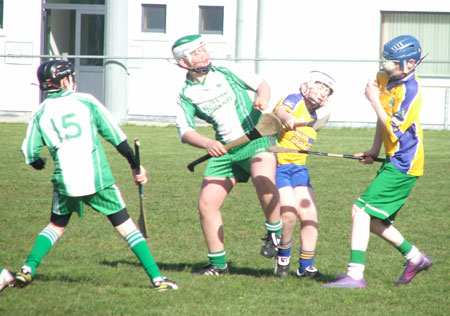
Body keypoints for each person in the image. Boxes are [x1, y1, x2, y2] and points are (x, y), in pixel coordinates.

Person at [17, 60, 178, 291]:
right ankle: (158, 279)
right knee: (126, 226)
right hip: (97, 179)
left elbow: (30, 153)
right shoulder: (86, 101)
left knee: (56, 225)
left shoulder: (40, 112)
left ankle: (27, 270)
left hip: (65, 181)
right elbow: (118, 138)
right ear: (65, 81)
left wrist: (38, 163)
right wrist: (136, 166)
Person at [323, 35, 432, 288]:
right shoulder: (384, 79)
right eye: (385, 61)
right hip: (393, 157)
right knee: (372, 219)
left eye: (392, 63)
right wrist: (374, 149)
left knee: (360, 210)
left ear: (410, 63)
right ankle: (415, 258)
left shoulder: (411, 91)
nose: (386, 67)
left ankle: (355, 275)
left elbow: (394, 128)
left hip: (405, 163)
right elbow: (382, 119)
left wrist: (373, 99)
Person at [172, 34, 282, 275]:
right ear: (183, 62)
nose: (203, 55)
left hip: (257, 139)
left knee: (262, 179)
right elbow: (185, 131)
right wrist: (206, 143)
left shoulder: (227, 71)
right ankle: (218, 265)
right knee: (207, 203)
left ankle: (274, 233)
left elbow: (262, 84)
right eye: (196, 53)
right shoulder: (186, 95)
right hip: (225, 150)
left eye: (203, 49)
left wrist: (262, 97)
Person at [272, 71, 335, 278]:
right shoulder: (294, 100)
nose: (322, 94)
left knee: (310, 215)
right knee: (289, 212)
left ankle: (305, 266)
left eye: (326, 92)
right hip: (280, 166)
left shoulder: (315, 119)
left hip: (299, 170)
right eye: (320, 87)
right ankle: (283, 258)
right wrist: (287, 118)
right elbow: (280, 111)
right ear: (306, 86)